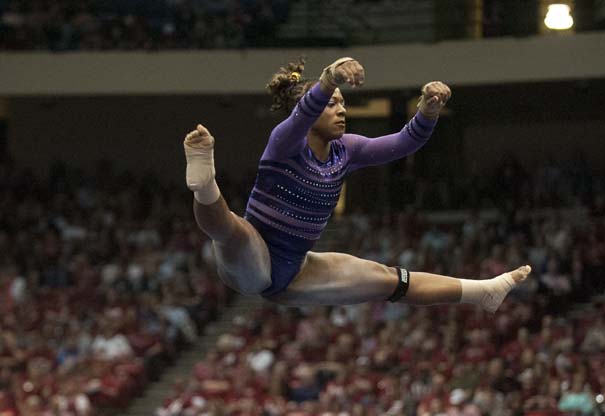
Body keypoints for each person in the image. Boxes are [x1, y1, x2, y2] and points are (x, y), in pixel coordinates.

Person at [184, 56, 530, 309]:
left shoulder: (346, 151)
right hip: (250, 256)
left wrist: (427, 111)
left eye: (343, 104)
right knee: (234, 230)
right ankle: (204, 184)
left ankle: (483, 291)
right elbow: (302, 115)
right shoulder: (285, 144)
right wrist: (328, 80)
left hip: (297, 270)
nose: (341, 111)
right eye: (332, 104)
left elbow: (403, 144)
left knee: (389, 279)